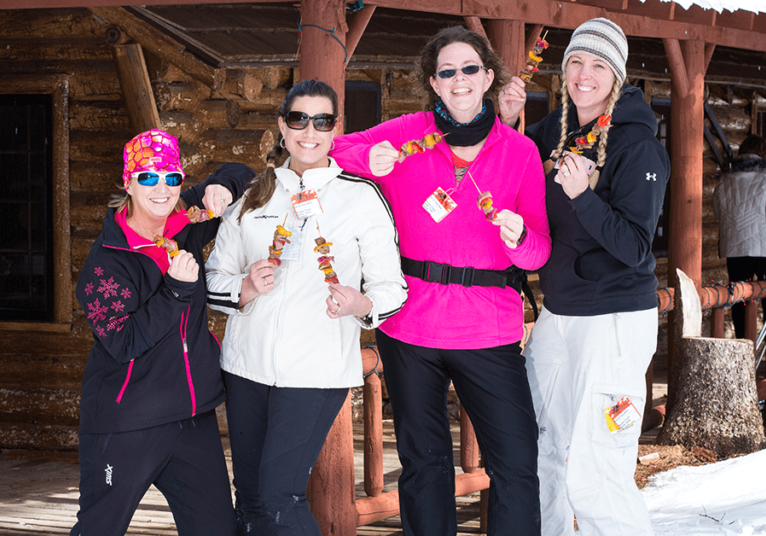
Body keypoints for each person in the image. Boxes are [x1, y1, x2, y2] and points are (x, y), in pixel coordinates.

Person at [330, 26, 550, 536]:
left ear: (488, 76)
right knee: (425, 467)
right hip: (411, 328)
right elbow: (330, 150)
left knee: (517, 465)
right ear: (433, 81)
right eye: (447, 71)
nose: (459, 80)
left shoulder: (519, 152)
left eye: (469, 69)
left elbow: (541, 249)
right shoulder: (408, 132)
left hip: (489, 331)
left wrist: (518, 238)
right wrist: (368, 159)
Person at [204, 79, 407, 536]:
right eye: (299, 119)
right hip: (246, 369)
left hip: (314, 374)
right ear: (282, 125)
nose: (309, 130)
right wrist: (246, 287)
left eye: (322, 120)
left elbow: (392, 288)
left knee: (280, 497)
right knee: (251, 497)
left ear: (336, 128)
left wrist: (362, 303)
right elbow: (214, 277)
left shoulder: (361, 197)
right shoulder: (254, 196)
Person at [499, 17, 670, 536]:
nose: (583, 74)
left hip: (615, 318)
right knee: (541, 448)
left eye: (598, 64)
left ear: (616, 75)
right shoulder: (554, 129)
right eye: (575, 60)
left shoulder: (637, 145)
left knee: (597, 469)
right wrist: (506, 124)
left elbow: (636, 247)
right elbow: (508, 173)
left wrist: (584, 197)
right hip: (560, 313)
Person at [73, 128, 254, 536]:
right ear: (129, 182)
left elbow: (243, 172)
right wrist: (174, 290)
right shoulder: (105, 264)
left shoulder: (186, 220)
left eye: (171, 178)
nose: (162, 188)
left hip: (192, 418)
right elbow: (124, 342)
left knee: (217, 529)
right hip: (127, 422)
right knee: (100, 528)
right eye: (148, 177)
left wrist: (222, 188)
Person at [713, 134, 766, 338]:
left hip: (734, 247)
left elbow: (718, 211)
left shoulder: (725, 180)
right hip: (762, 246)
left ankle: (743, 348)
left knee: (739, 298)